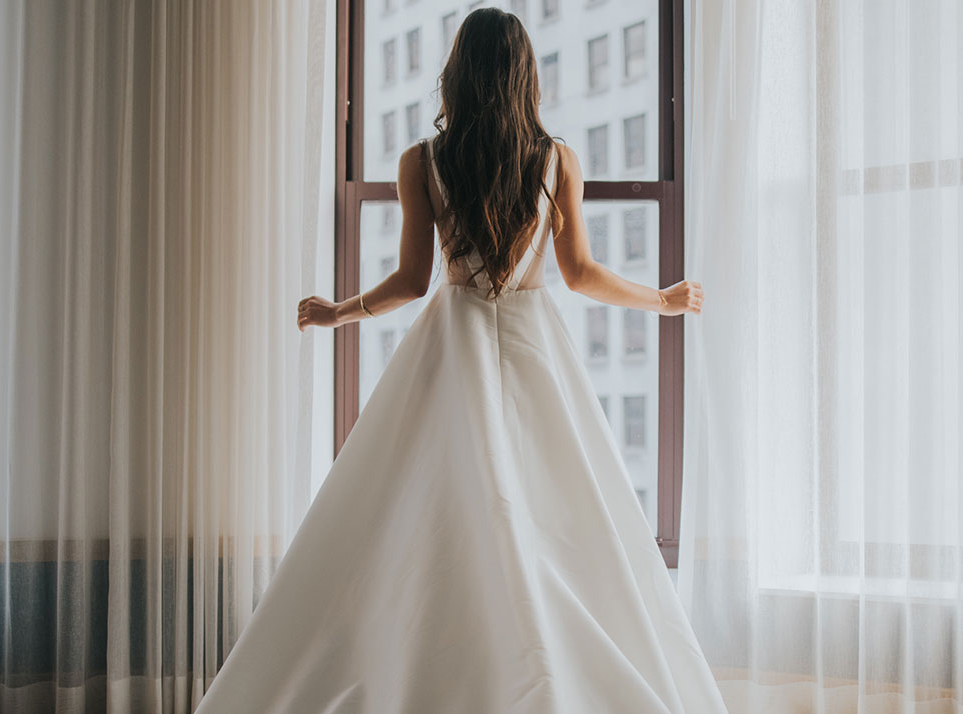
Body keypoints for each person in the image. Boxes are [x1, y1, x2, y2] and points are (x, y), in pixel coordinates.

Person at [196, 8, 725, 713]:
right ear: (524, 75)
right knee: (553, 513)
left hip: (454, 340)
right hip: (537, 344)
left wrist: (338, 312)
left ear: (457, 74)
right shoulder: (556, 159)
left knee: (433, 509)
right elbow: (580, 273)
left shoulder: (423, 161)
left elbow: (414, 283)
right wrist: (659, 301)